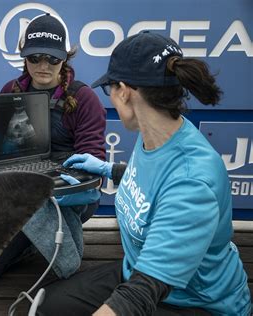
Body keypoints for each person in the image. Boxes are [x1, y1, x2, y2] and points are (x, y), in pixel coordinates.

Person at [37, 31, 251, 315]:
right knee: (45, 306)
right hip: (137, 269)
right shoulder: (155, 132)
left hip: (196, 302)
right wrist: (109, 170)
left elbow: (140, 295)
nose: (111, 96)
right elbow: (154, 185)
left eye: (110, 89)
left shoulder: (193, 181)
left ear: (124, 91)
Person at [0, 13, 107, 281]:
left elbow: (93, 168)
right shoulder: (10, 89)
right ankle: (28, 241)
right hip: (22, 187)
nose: (43, 65)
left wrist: (54, 188)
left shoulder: (84, 98)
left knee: (44, 239)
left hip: (70, 193)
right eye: (35, 57)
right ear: (23, 56)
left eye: (53, 58)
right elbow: (2, 149)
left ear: (64, 58)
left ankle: (54, 250)